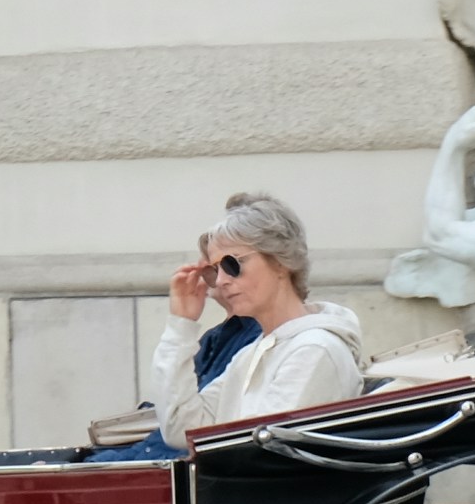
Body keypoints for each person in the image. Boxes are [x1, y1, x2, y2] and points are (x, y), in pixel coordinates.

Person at [120, 195, 366, 458]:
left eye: (232, 264)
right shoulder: (252, 354)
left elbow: (261, 457)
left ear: (280, 262)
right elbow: (181, 428)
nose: (222, 281)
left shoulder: (315, 349)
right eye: (214, 271)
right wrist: (180, 325)